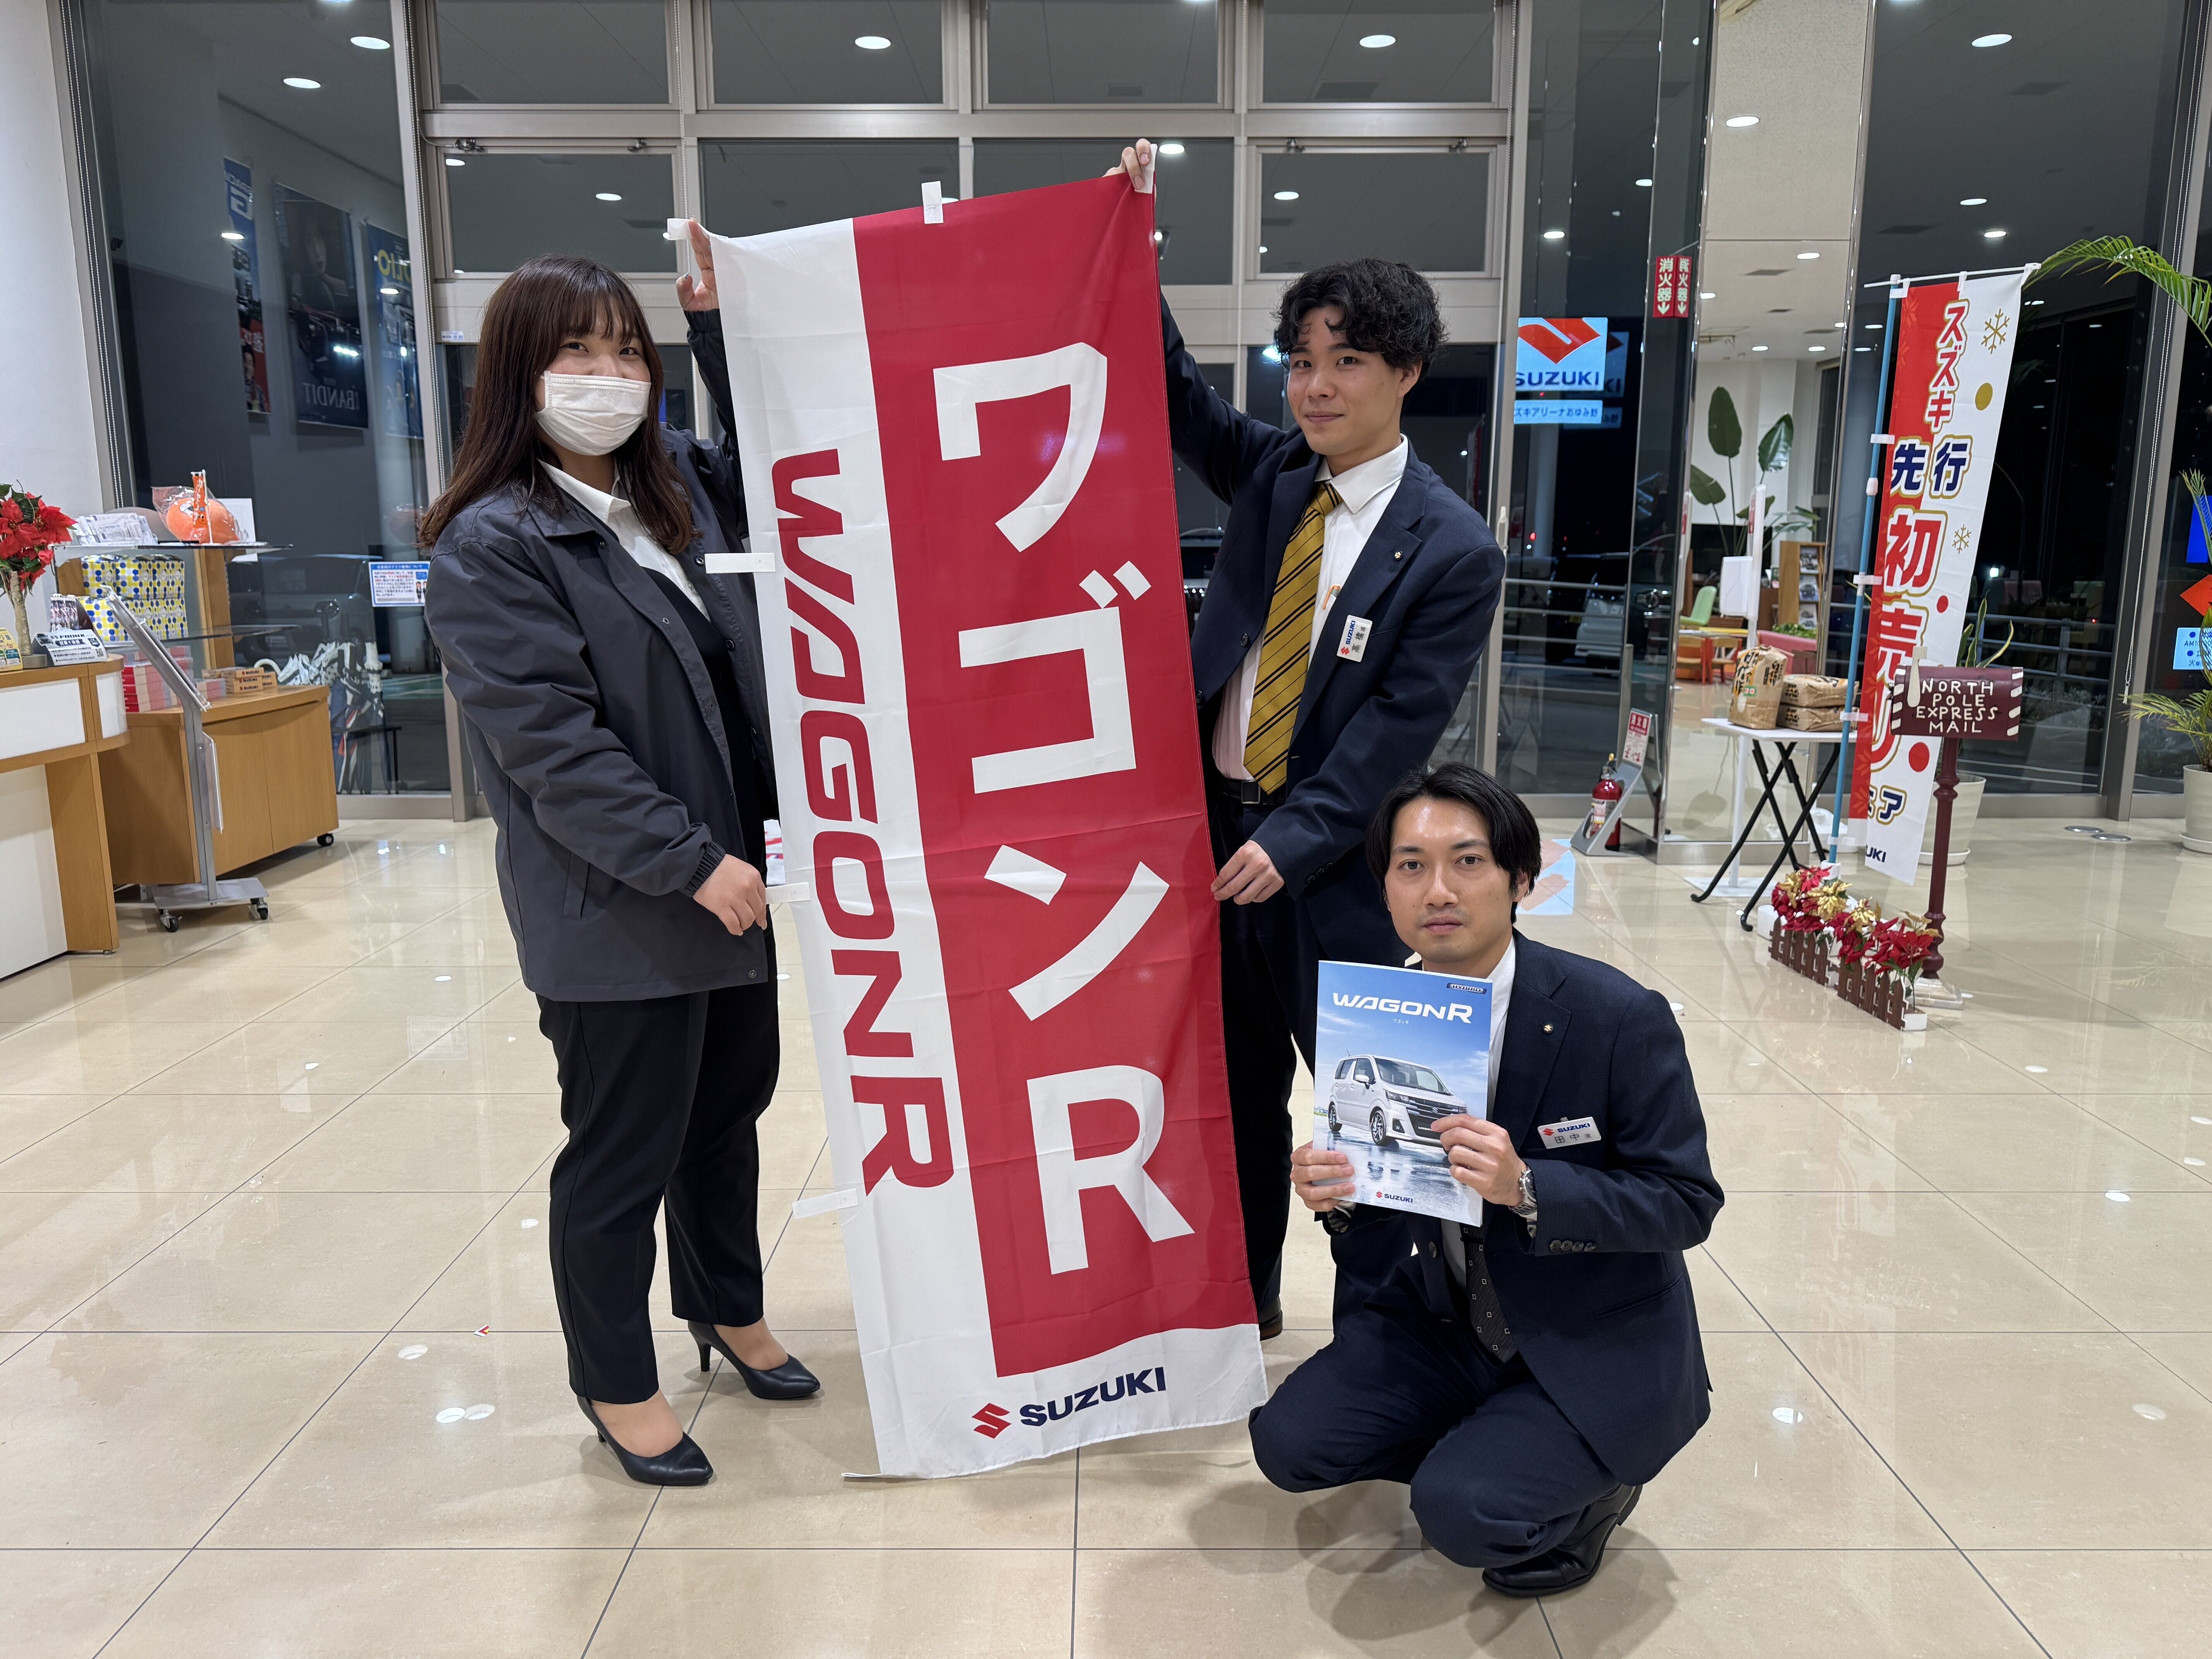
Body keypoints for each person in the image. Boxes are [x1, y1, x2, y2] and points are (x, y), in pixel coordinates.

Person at [421, 235, 818, 1489]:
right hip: (624, 905)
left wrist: (716, 330)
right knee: (622, 1150)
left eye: (626, 352)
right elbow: (553, 746)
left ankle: (726, 1306)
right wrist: (689, 859)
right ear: (518, 374)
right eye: (576, 354)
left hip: (732, 884)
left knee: (726, 1115)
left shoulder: (673, 491)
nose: (607, 378)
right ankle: (614, 1380)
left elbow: (783, 457)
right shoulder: (494, 543)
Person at [1112, 141, 1506, 1334]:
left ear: (1407, 372)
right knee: (1230, 1095)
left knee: (1376, 1110)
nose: (1316, 388)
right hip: (1211, 844)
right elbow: (1177, 397)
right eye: (1303, 362)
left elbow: (1395, 728)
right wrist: (1133, 244)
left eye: (1347, 363)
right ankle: (1243, 1306)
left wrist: (1292, 840)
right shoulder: (1278, 476)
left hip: (1338, 871)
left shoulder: (1454, 548)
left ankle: (1391, 1332)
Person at [1248, 764, 1722, 1595]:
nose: (1439, 890)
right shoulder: (1378, 1018)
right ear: (1385, 891)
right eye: (1410, 866)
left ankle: (1599, 1489)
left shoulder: (1615, 1015)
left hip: (1585, 1332)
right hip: (1448, 1319)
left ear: (1521, 879)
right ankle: (1489, 1438)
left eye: (1468, 862)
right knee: (1288, 1446)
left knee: (1466, 1515)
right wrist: (1342, 1195)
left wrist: (1528, 1187)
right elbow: (1389, 1218)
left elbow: (1686, 1202)